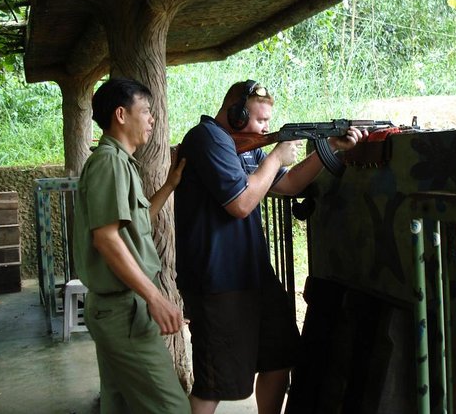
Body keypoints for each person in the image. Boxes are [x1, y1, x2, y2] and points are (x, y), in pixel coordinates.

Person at [174, 79, 365, 414]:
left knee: (280, 356)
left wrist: (330, 148)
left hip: (254, 275)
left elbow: (288, 184)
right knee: (216, 381)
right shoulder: (207, 139)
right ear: (234, 114)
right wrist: (276, 155)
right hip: (218, 281)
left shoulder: (243, 148)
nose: (266, 127)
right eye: (260, 120)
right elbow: (241, 203)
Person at [73, 77, 191, 414]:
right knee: (173, 408)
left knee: (121, 404)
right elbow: (107, 238)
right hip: (124, 310)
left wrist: (169, 185)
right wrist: (155, 297)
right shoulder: (110, 163)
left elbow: (130, 227)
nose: (152, 119)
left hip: (115, 309)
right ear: (121, 115)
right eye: (146, 111)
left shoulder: (118, 162)